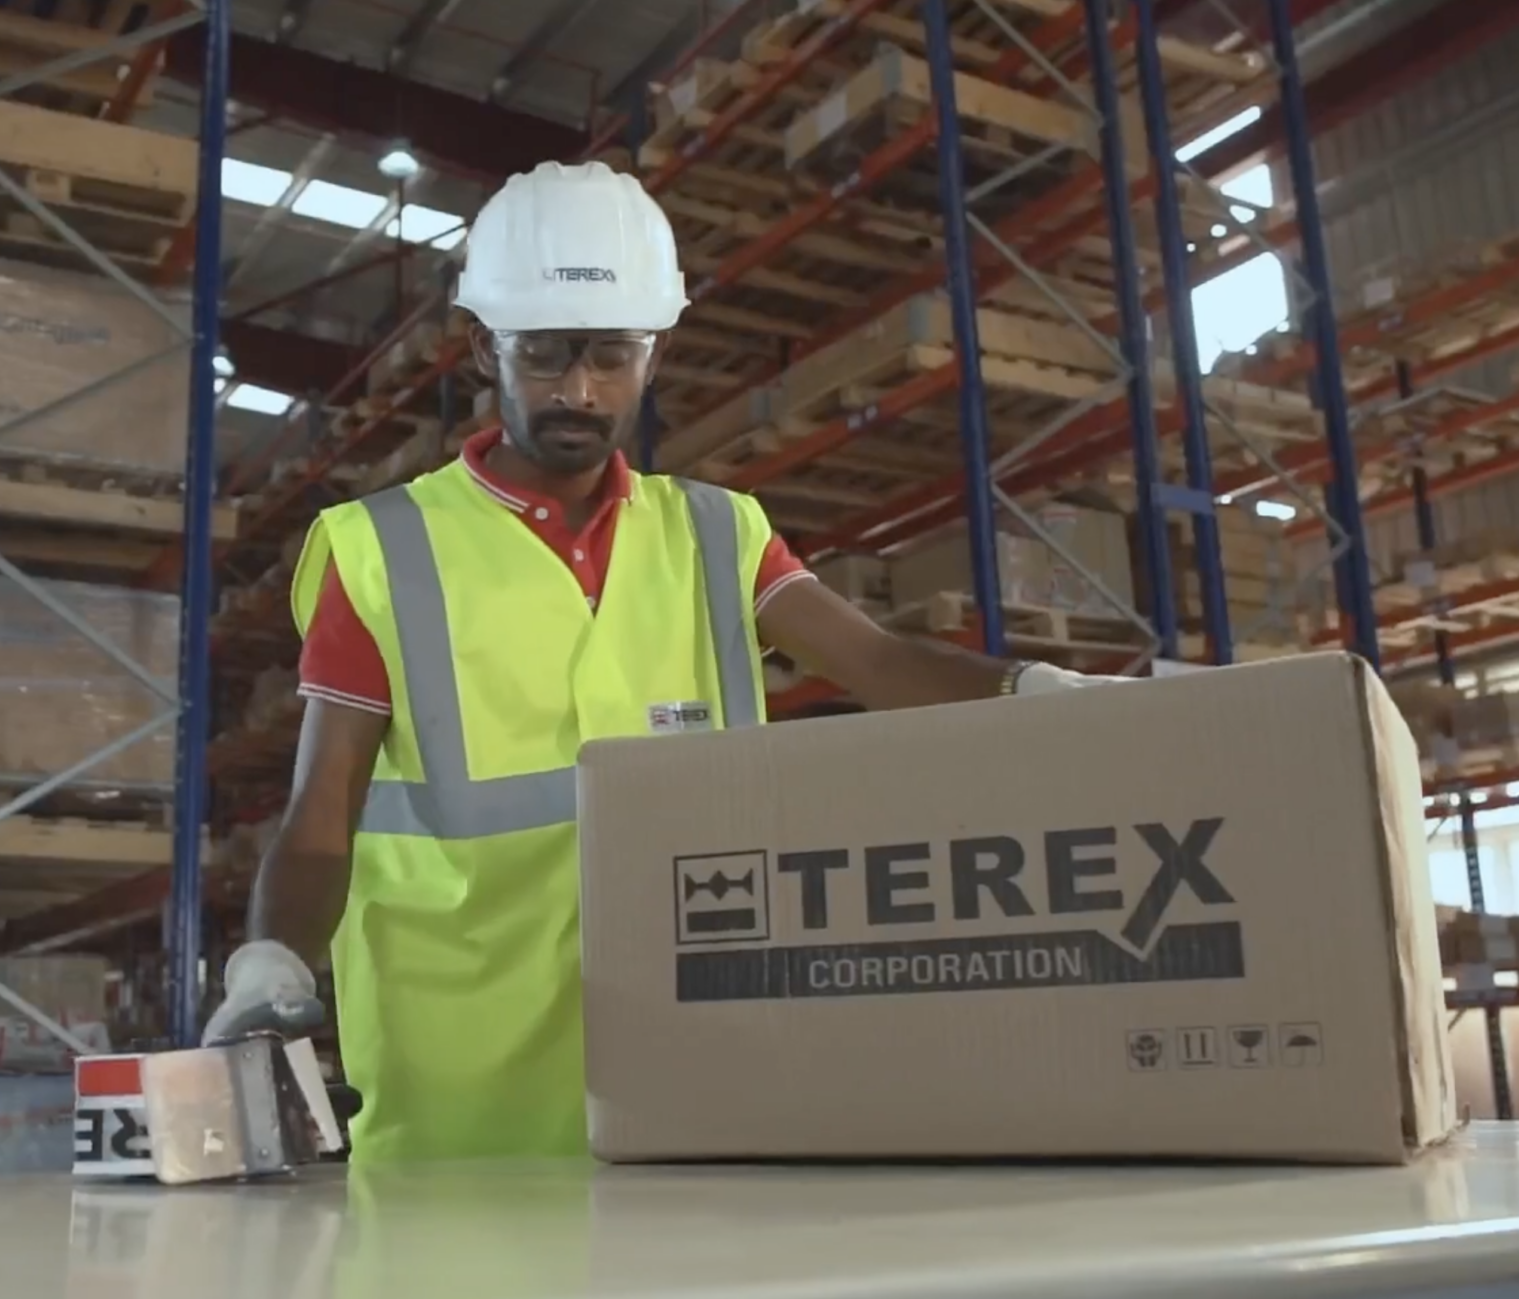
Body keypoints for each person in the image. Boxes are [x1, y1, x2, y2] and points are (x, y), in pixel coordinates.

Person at [203, 160, 1111, 1162]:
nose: (579, 390)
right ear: (484, 346)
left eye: (612, 356)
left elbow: (879, 660)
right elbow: (322, 809)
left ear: (655, 352)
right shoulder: (382, 547)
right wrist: (272, 960)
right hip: (462, 1095)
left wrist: (1032, 691)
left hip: (699, 1077)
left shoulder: (717, 534)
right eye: (544, 355)